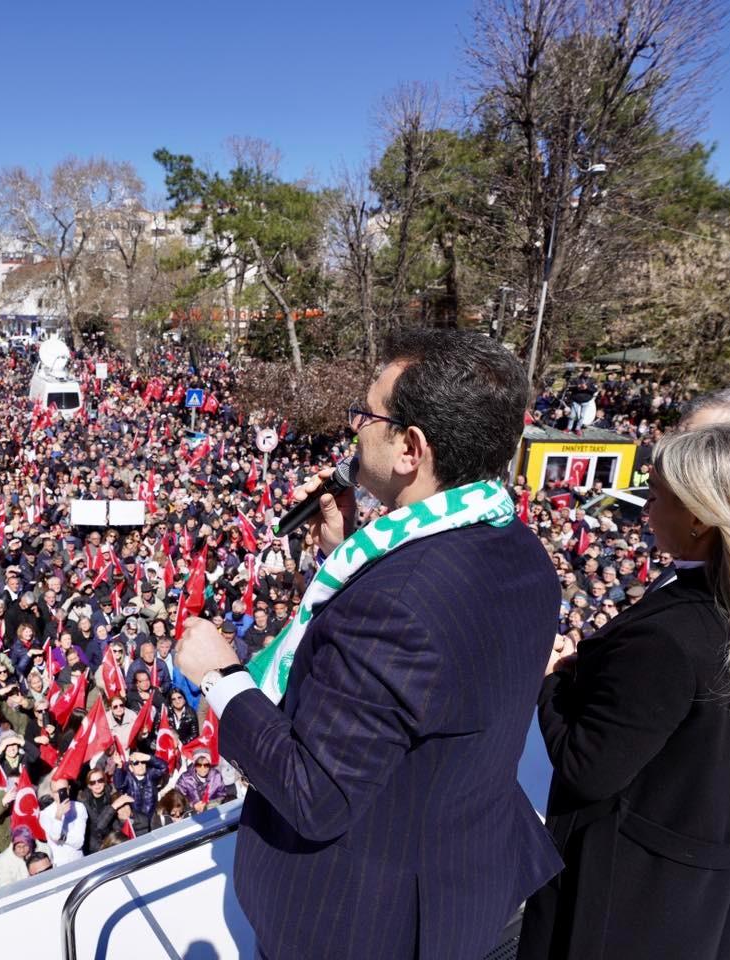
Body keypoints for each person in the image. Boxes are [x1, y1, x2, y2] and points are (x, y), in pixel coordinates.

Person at [175, 329, 563, 958]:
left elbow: (316, 793)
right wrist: (345, 552)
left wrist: (222, 679)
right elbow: (429, 673)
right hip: (463, 884)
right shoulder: (521, 551)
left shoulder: (398, 604)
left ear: (411, 448)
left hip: (362, 923)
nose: (354, 429)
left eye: (366, 415)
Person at [518, 418, 730, 960]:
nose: (646, 510)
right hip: (714, 891)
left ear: (699, 518)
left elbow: (586, 766)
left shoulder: (671, 637)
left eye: (659, 496)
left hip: (620, 895)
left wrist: (551, 682)